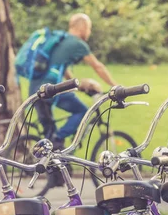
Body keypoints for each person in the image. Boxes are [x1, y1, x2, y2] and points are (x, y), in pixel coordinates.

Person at [27, 13, 118, 150]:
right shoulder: (77, 44)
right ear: (83, 27)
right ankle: (59, 138)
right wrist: (115, 86)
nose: (89, 32)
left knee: (49, 134)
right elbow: (97, 66)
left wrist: (78, 85)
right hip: (51, 90)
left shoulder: (60, 40)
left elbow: (61, 68)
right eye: (89, 28)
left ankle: (53, 162)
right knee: (82, 112)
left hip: (35, 89)